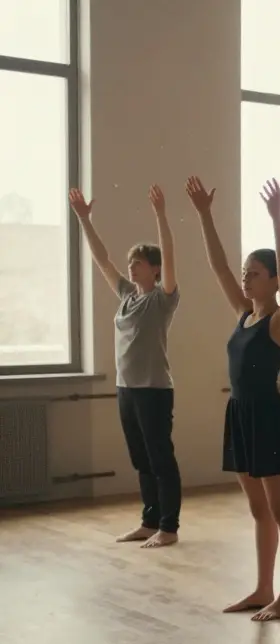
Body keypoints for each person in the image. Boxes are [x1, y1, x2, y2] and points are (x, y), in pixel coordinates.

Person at [187, 176, 280, 622]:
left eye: (254, 273)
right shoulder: (244, 314)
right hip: (239, 414)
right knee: (259, 510)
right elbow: (218, 267)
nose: (245, 277)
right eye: (247, 272)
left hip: (268, 418)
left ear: (275, 280)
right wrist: (204, 215)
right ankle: (262, 588)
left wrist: (277, 217)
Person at [69, 186, 183, 549]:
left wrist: (161, 214)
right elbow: (102, 259)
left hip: (154, 389)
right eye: (130, 261)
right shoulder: (127, 296)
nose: (130, 266)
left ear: (154, 269)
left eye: (138, 262)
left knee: (161, 458)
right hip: (126, 389)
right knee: (141, 458)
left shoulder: (162, 300)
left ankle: (169, 526)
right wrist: (84, 218)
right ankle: (149, 522)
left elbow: (170, 253)